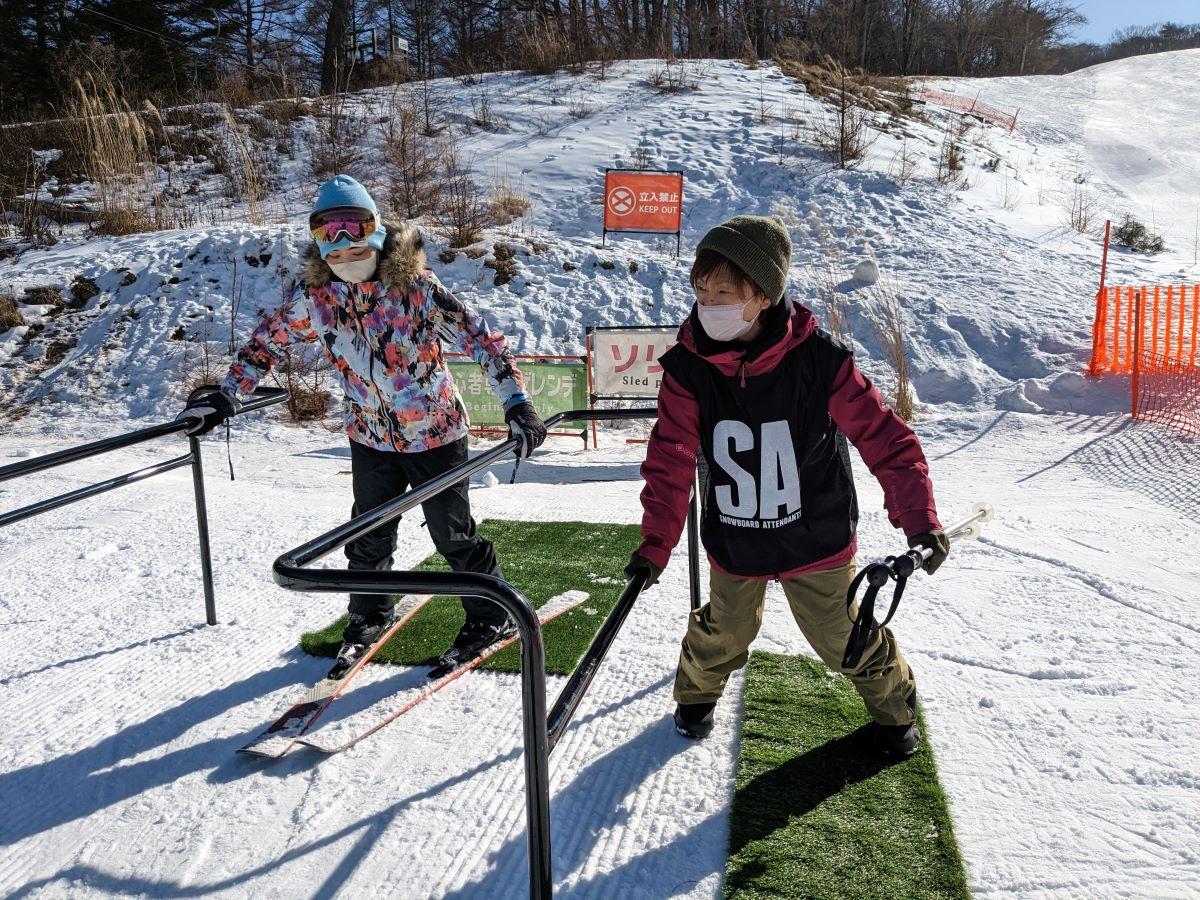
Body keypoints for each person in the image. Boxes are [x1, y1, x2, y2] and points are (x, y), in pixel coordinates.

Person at [179, 174, 547, 677]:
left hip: (435, 432)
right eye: (329, 239)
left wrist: (517, 401)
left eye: (355, 235)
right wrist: (227, 394)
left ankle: (490, 616)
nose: (344, 249)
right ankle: (370, 613)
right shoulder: (316, 299)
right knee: (368, 533)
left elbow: (481, 341)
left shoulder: (416, 290)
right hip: (370, 436)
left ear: (376, 234)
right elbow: (264, 345)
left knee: (452, 532)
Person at [624, 215, 948, 757]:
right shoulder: (688, 369)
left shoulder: (820, 363)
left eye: (724, 292)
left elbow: (885, 440)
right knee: (721, 633)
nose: (708, 305)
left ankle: (894, 709)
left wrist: (921, 520)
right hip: (736, 538)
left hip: (814, 536)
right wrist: (656, 544)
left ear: (764, 296)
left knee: (844, 635)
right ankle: (696, 697)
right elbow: (671, 459)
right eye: (701, 291)